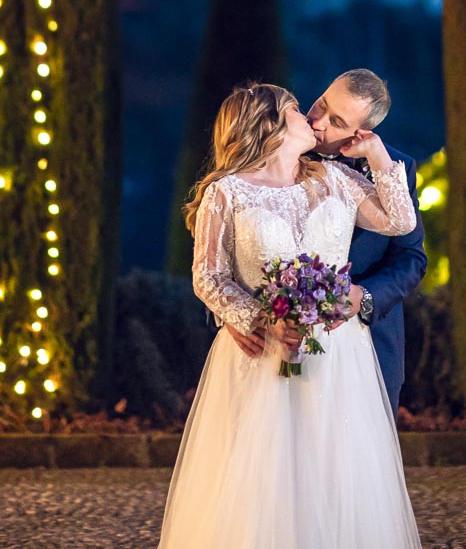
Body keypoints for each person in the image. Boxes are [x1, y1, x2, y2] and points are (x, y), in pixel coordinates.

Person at [157, 82, 422, 549]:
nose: (313, 120)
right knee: (262, 482)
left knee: (337, 478)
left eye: (328, 118)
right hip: (264, 355)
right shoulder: (227, 192)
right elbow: (208, 278)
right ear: (271, 126)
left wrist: (378, 154)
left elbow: (401, 225)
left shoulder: (333, 178)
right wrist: (257, 319)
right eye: (303, 110)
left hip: (341, 355)